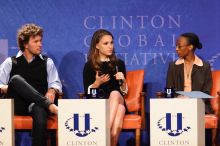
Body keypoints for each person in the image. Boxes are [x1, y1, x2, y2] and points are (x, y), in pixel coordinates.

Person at [0, 23, 62, 146]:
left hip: (37, 104)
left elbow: (55, 83)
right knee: (16, 79)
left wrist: (52, 90)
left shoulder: (47, 62)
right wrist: (12, 87)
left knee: (39, 109)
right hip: (17, 104)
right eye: (36, 41)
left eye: (40, 41)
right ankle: (50, 106)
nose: (40, 44)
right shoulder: (10, 62)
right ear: (25, 44)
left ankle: (47, 105)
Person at [83, 29, 127, 146]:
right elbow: (87, 94)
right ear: (97, 45)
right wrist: (97, 84)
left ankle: (103, 131)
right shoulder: (89, 66)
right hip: (100, 104)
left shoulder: (119, 64)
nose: (110, 46)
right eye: (106, 43)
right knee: (120, 111)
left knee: (114, 93)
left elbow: (124, 92)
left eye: (111, 43)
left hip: (117, 98)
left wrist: (123, 81)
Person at [166, 32, 213, 114]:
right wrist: (172, 103)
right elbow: (169, 90)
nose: (176, 49)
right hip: (177, 106)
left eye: (179, 46)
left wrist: (192, 104)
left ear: (190, 47)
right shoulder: (173, 66)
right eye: (176, 46)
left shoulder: (204, 66)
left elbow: (206, 92)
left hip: (198, 107)